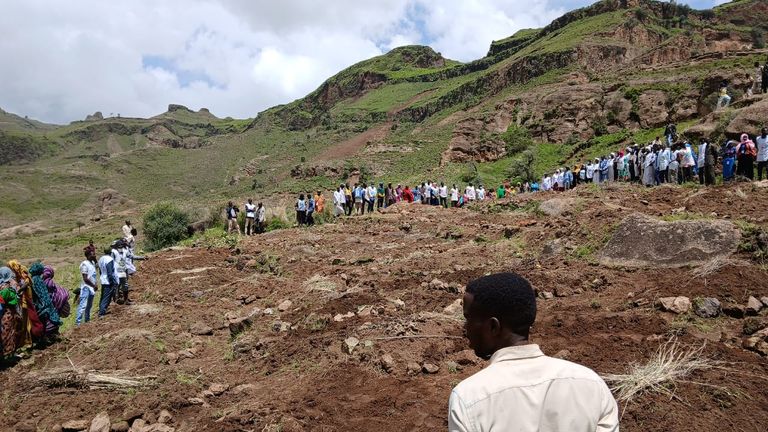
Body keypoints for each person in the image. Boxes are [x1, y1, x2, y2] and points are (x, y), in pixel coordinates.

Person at [448, 273, 619, 432]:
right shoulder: (591, 384)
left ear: (493, 327)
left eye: (468, 319)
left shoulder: (468, 398)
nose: (465, 328)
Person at [76, 249, 98, 326]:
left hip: (92, 287)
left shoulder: (91, 263)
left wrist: (95, 260)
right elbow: (85, 279)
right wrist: (93, 285)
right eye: (93, 254)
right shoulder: (84, 264)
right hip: (86, 287)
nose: (94, 255)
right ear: (88, 255)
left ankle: (87, 321)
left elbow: (95, 271)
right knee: (83, 306)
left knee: (89, 305)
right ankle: (78, 323)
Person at [98, 247, 118, 317]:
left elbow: (100, 271)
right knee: (106, 297)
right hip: (108, 281)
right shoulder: (109, 259)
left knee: (103, 296)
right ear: (111, 252)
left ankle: (101, 309)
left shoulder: (101, 259)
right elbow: (110, 273)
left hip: (103, 279)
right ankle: (102, 312)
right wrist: (113, 281)